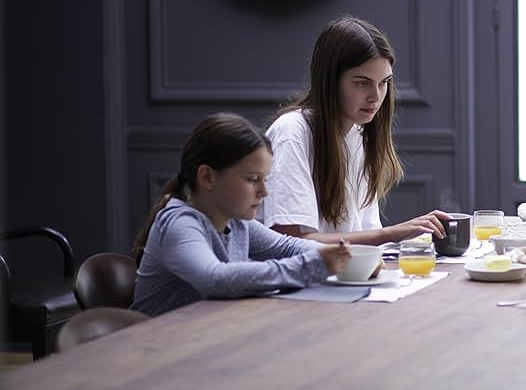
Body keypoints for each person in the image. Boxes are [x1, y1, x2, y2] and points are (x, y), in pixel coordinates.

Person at [131, 113, 352, 317]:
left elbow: (286, 247)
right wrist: (313, 265)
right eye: (252, 179)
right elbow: (215, 279)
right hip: (156, 349)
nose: (264, 192)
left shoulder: (235, 220)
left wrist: (347, 257)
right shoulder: (179, 224)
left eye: (264, 179)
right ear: (207, 177)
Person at [258, 17, 452, 244]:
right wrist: (390, 234)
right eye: (362, 83)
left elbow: (365, 238)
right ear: (330, 81)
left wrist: (397, 239)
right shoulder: (292, 133)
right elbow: (291, 243)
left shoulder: (357, 135)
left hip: (351, 276)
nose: (376, 97)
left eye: (384, 82)